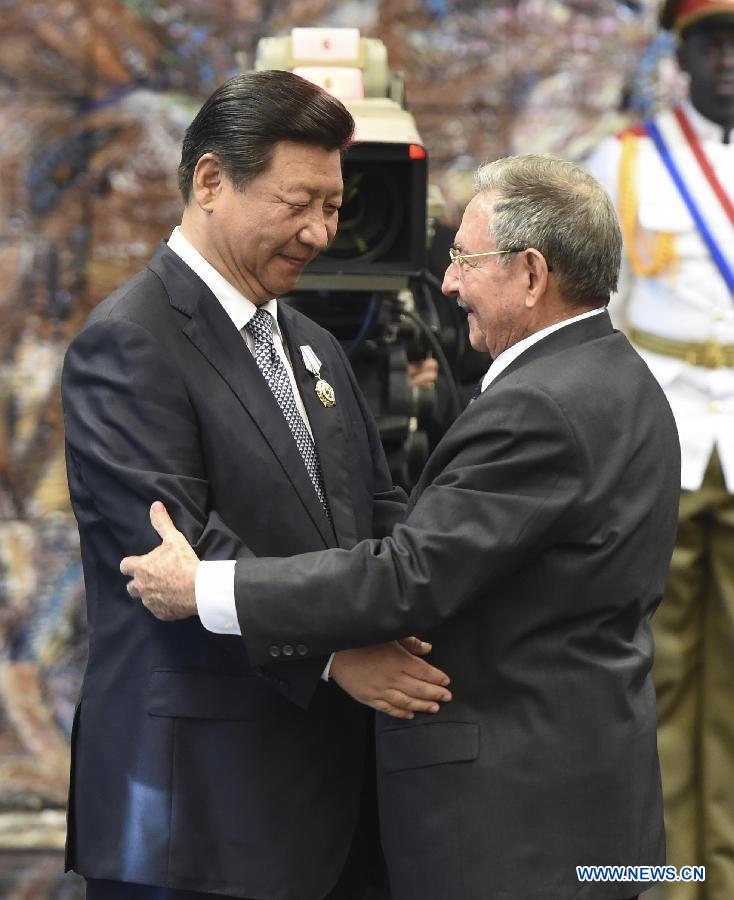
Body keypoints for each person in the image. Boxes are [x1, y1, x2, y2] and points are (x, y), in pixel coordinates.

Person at [122, 154, 681, 900]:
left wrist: (205, 586)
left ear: (532, 272)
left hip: (515, 834)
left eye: (463, 259)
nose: (447, 285)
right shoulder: (619, 375)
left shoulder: (539, 407)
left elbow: (406, 578)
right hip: (585, 813)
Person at [62, 70, 452, 900]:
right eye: (297, 202)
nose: (320, 231)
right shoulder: (128, 344)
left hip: (328, 802)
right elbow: (174, 550)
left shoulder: (311, 344)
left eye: (336, 207)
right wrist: (342, 652)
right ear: (210, 181)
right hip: (195, 815)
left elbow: (376, 513)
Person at [585, 3, 734, 897]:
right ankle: (663, 880)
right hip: (663, 442)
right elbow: (596, 322)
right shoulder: (626, 160)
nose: (731, 63)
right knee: (651, 675)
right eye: (715, 44)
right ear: (681, 53)